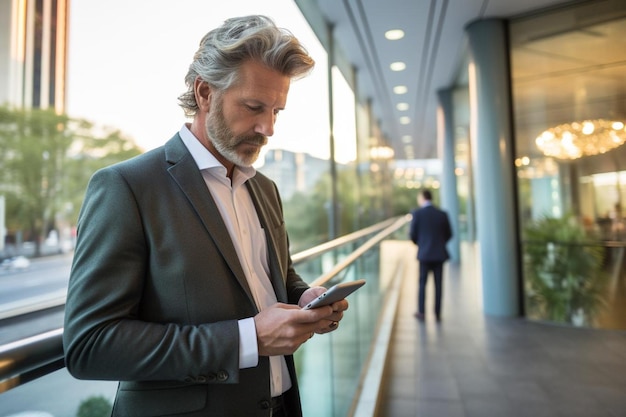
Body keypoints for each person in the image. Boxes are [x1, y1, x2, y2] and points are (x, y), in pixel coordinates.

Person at [63, 15, 349, 417]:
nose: (267, 128)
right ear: (204, 93)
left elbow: (274, 279)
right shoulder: (126, 187)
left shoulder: (264, 188)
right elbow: (90, 346)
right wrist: (248, 339)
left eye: (276, 111)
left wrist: (304, 298)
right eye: (253, 107)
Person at [409, 189, 452, 322]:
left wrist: (422, 245)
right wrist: (439, 244)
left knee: (422, 283)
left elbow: (412, 234)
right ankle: (437, 313)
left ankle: (421, 312)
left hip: (424, 254)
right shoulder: (442, 214)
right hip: (439, 254)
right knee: (438, 285)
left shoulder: (417, 213)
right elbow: (449, 234)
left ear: (422, 198)